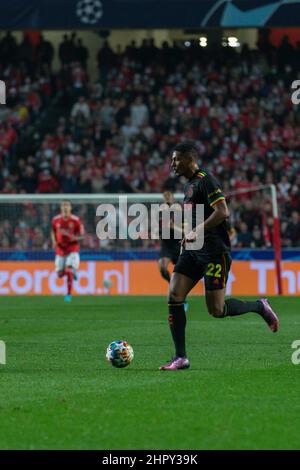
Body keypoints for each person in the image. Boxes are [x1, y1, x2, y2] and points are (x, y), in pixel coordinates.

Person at [160, 142, 279, 371]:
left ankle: (259, 306)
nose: (172, 164)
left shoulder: (206, 180)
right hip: (193, 251)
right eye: (172, 160)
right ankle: (181, 357)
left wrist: (197, 231)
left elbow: (223, 211)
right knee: (174, 294)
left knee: (216, 310)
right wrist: (188, 234)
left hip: (215, 253)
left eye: (176, 159)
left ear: (189, 159)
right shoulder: (189, 186)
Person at [51, 200, 84, 302]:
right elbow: (53, 231)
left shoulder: (76, 220)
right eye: (63, 206)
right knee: (60, 274)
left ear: (70, 208)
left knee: (68, 269)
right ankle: (72, 271)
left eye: (67, 205)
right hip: (60, 249)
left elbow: (82, 235)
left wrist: (75, 238)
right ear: (61, 208)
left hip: (72, 249)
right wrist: (54, 241)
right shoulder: (55, 220)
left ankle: (68, 295)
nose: (65, 207)